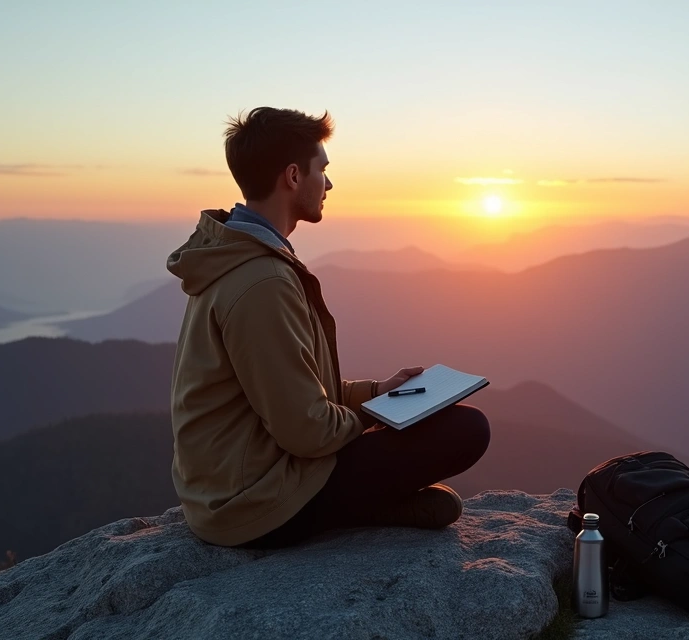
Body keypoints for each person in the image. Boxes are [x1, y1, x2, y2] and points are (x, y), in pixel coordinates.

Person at [166, 106, 490, 549]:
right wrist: (380, 416)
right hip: (255, 502)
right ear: (294, 176)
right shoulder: (261, 281)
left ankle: (353, 507)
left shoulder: (235, 257)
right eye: (323, 169)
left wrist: (377, 391)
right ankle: (348, 511)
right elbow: (307, 431)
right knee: (467, 430)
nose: (330, 183)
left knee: (443, 490)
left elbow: (290, 392)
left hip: (231, 487)